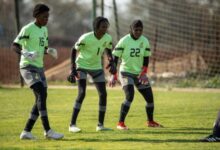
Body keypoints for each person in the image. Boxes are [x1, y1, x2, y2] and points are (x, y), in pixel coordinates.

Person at [11, 3, 63, 140]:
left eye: (48, 16)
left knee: (41, 97)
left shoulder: (44, 30)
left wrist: (49, 51)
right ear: (37, 16)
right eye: (44, 16)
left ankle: (26, 131)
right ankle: (48, 131)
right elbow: (14, 45)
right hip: (28, 66)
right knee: (41, 93)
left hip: (39, 68)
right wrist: (24, 53)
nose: (47, 19)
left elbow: (42, 48)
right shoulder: (28, 29)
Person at [109, 19, 163, 130]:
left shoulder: (145, 41)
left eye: (140, 30)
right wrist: (113, 75)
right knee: (130, 96)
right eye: (136, 30)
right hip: (125, 72)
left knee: (150, 98)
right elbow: (115, 57)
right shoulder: (124, 40)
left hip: (139, 74)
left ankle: (150, 121)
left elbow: (146, 58)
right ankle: (120, 123)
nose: (138, 32)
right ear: (131, 29)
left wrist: (143, 73)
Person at [67, 16, 116, 132]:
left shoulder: (107, 37)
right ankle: (72, 125)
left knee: (103, 94)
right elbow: (74, 50)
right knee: (82, 93)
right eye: (103, 27)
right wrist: (73, 68)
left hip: (96, 67)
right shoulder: (86, 37)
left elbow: (108, 49)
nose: (105, 29)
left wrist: (111, 60)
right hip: (82, 66)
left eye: (107, 27)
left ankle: (100, 125)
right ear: (96, 27)